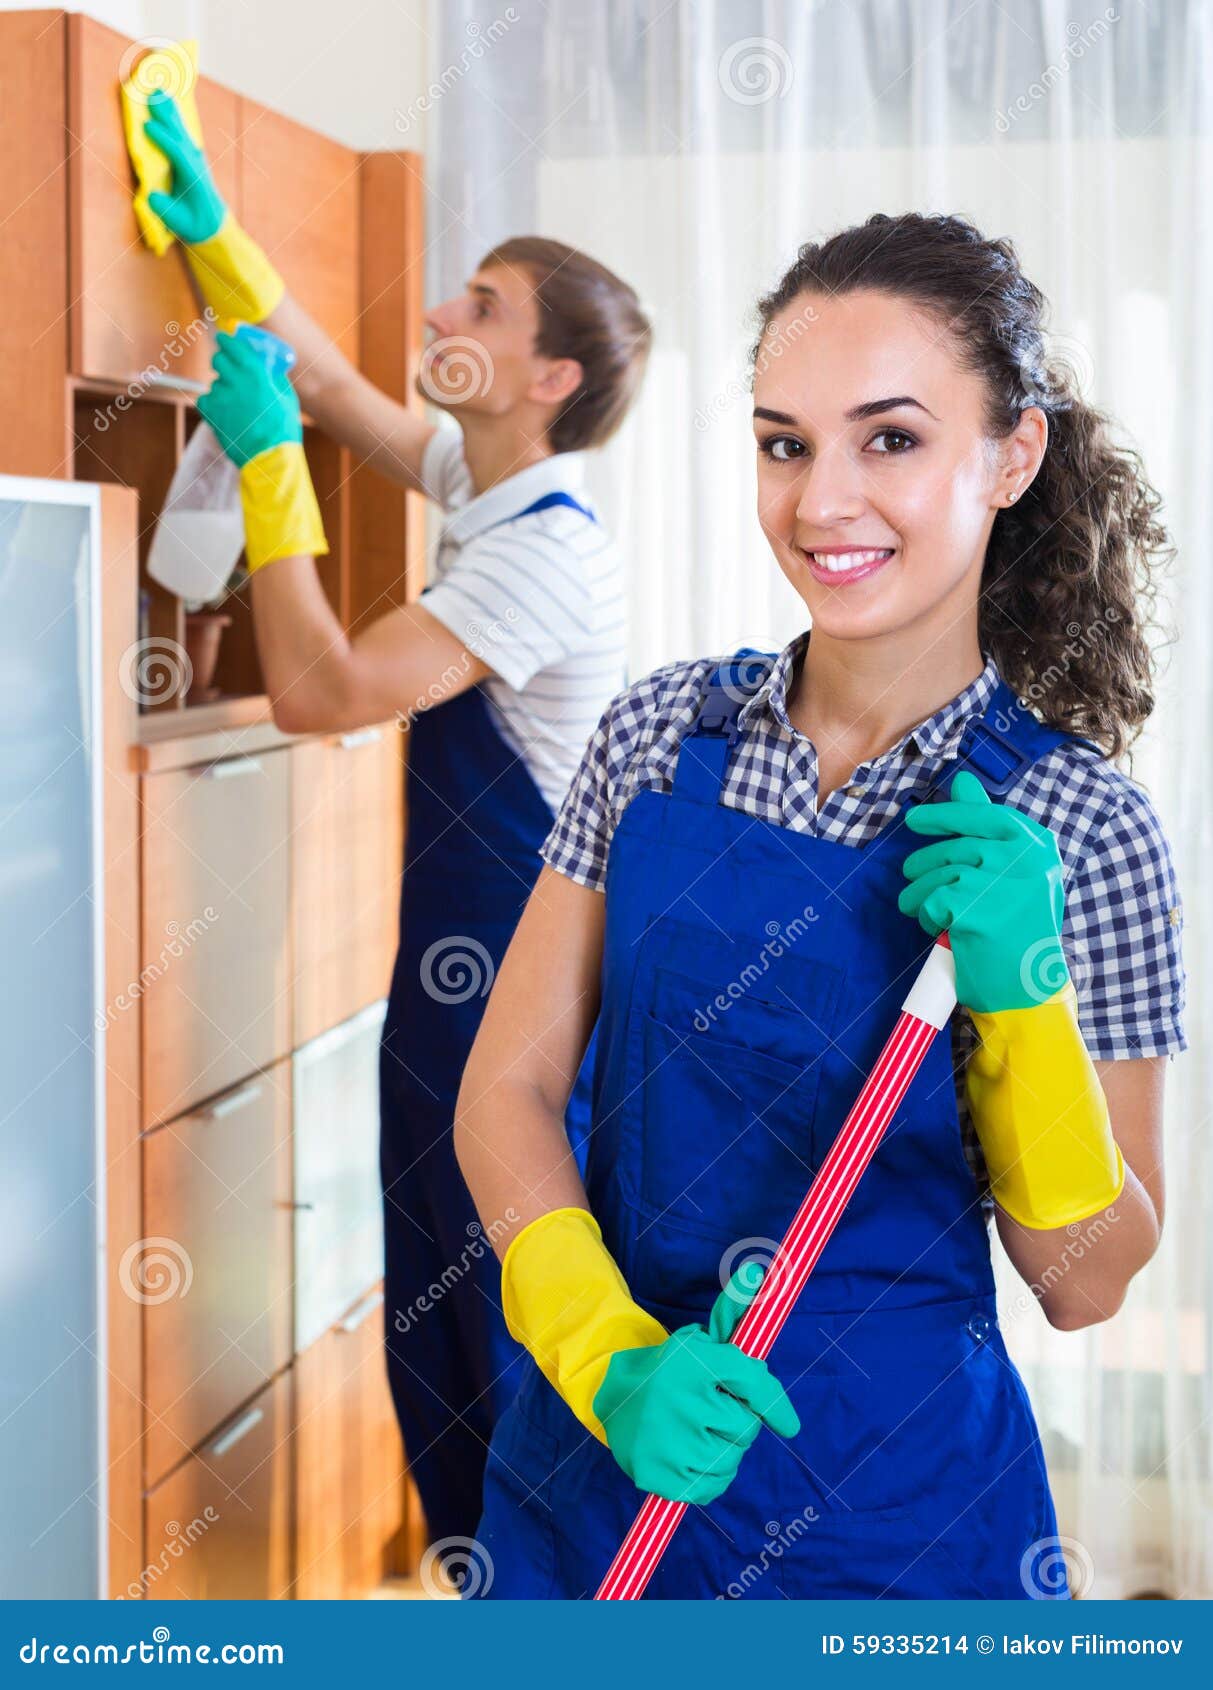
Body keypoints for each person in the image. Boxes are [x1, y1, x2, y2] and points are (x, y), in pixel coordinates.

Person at [451, 211, 1188, 1600]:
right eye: (784, 441)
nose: (819, 500)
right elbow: (508, 1087)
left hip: (886, 1527)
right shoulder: (656, 736)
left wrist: (1019, 1003)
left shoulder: (1083, 830)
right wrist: (605, 1354)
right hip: (598, 1475)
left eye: (890, 439)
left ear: (1011, 454)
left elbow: (1085, 1279)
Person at [139, 91, 652, 1554]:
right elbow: (332, 380)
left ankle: (536, 1604)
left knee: (490, 1329)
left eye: (477, 301)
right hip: (448, 987)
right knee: (434, 1318)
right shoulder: (486, 486)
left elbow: (324, 688)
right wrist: (209, 231)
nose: (438, 306)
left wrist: (264, 463)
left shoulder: (547, 558)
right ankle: (478, 1587)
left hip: (510, 999)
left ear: (545, 373)